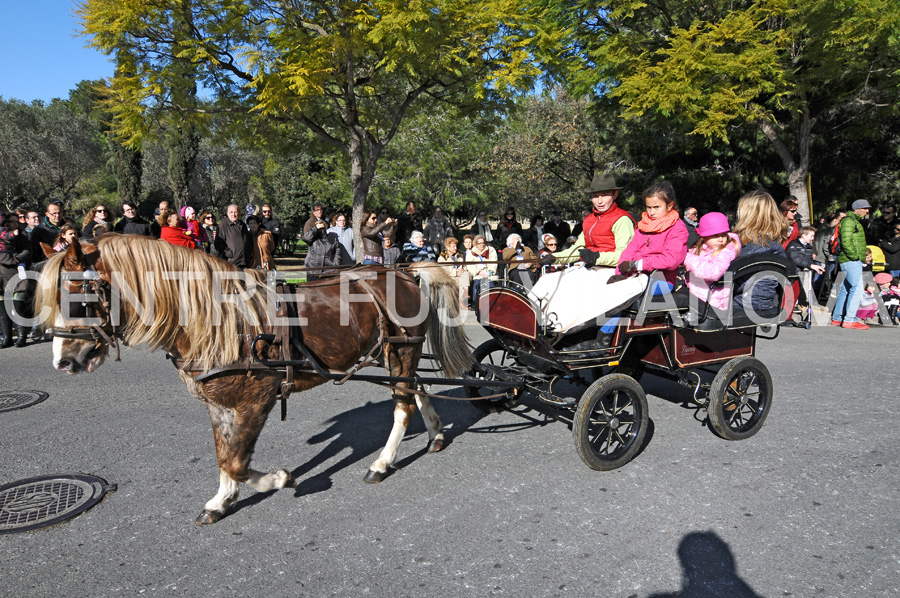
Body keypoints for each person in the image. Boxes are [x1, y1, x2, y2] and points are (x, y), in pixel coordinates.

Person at [731, 190, 789, 313]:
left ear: (748, 215)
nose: (737, 213)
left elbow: (729, 277)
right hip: (765, 302)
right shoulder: (773, 245)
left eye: (739, 210)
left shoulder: (755, 247)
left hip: (743, 303)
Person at [682, 212, 742, 312]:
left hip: (714, 306)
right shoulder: (699, 248)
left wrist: (686, 257)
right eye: (715, 235)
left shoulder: (726, 250)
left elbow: (713, 272)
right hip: (699, 299)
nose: (721, 239)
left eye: (723, 234)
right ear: (704, 236)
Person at [830, 199, 871, 329]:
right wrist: (855, 256)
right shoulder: (849, 221)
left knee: (846, 288)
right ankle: (850, 319)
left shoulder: (852, 220)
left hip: (848, 259)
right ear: (856, 209)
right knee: (857, 288)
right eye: (864, 208)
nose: (867, 210)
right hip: (851, 259)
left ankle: (837, 318)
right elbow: (846, 241)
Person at [0, 213, 31, 348]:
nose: (13, 224)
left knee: (18, 306)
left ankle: (22, 336)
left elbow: (27, 251)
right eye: (10, 222)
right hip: (1, 275)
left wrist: (15, 259)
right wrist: (6, 259)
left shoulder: (21, 237)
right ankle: (7, 337)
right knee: (3, 308)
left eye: (15, 222)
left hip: (17, 273)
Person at [302, 209, 341, 280]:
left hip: (328, 271)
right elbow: (305, 238)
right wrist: (315, 228)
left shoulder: (332, 239)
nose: (321, 230)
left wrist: (335, 265)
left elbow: (337, 252)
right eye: (319, 228)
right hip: (313, 271)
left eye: (323, 228)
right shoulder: (313, 239)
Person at [438, 237, 471, 309]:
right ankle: (461, 301)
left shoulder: (459, 256)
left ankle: (465, 293)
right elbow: (444, 270)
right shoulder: (443, 257)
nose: (455, 248)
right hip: (449, 277)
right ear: (447, 247)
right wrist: (456, 272)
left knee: (466, 274)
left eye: (456, 246)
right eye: (453, 246)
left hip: (460, 276)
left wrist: (462, 269)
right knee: (463, 279)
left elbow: (465, 266)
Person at [466, 234, 498, 301]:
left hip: (489, 274)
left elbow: (493, 262)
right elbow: (470, 266)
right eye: (479, 243)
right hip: (478, 275)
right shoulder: (471, 252)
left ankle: (491, 302)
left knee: (490, 285)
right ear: (475, 244)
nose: (482, 245)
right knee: (477, 286)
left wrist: (489, 272)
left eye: (483, 243)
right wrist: (479, 272)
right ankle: (477, 303)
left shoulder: (491, 250)